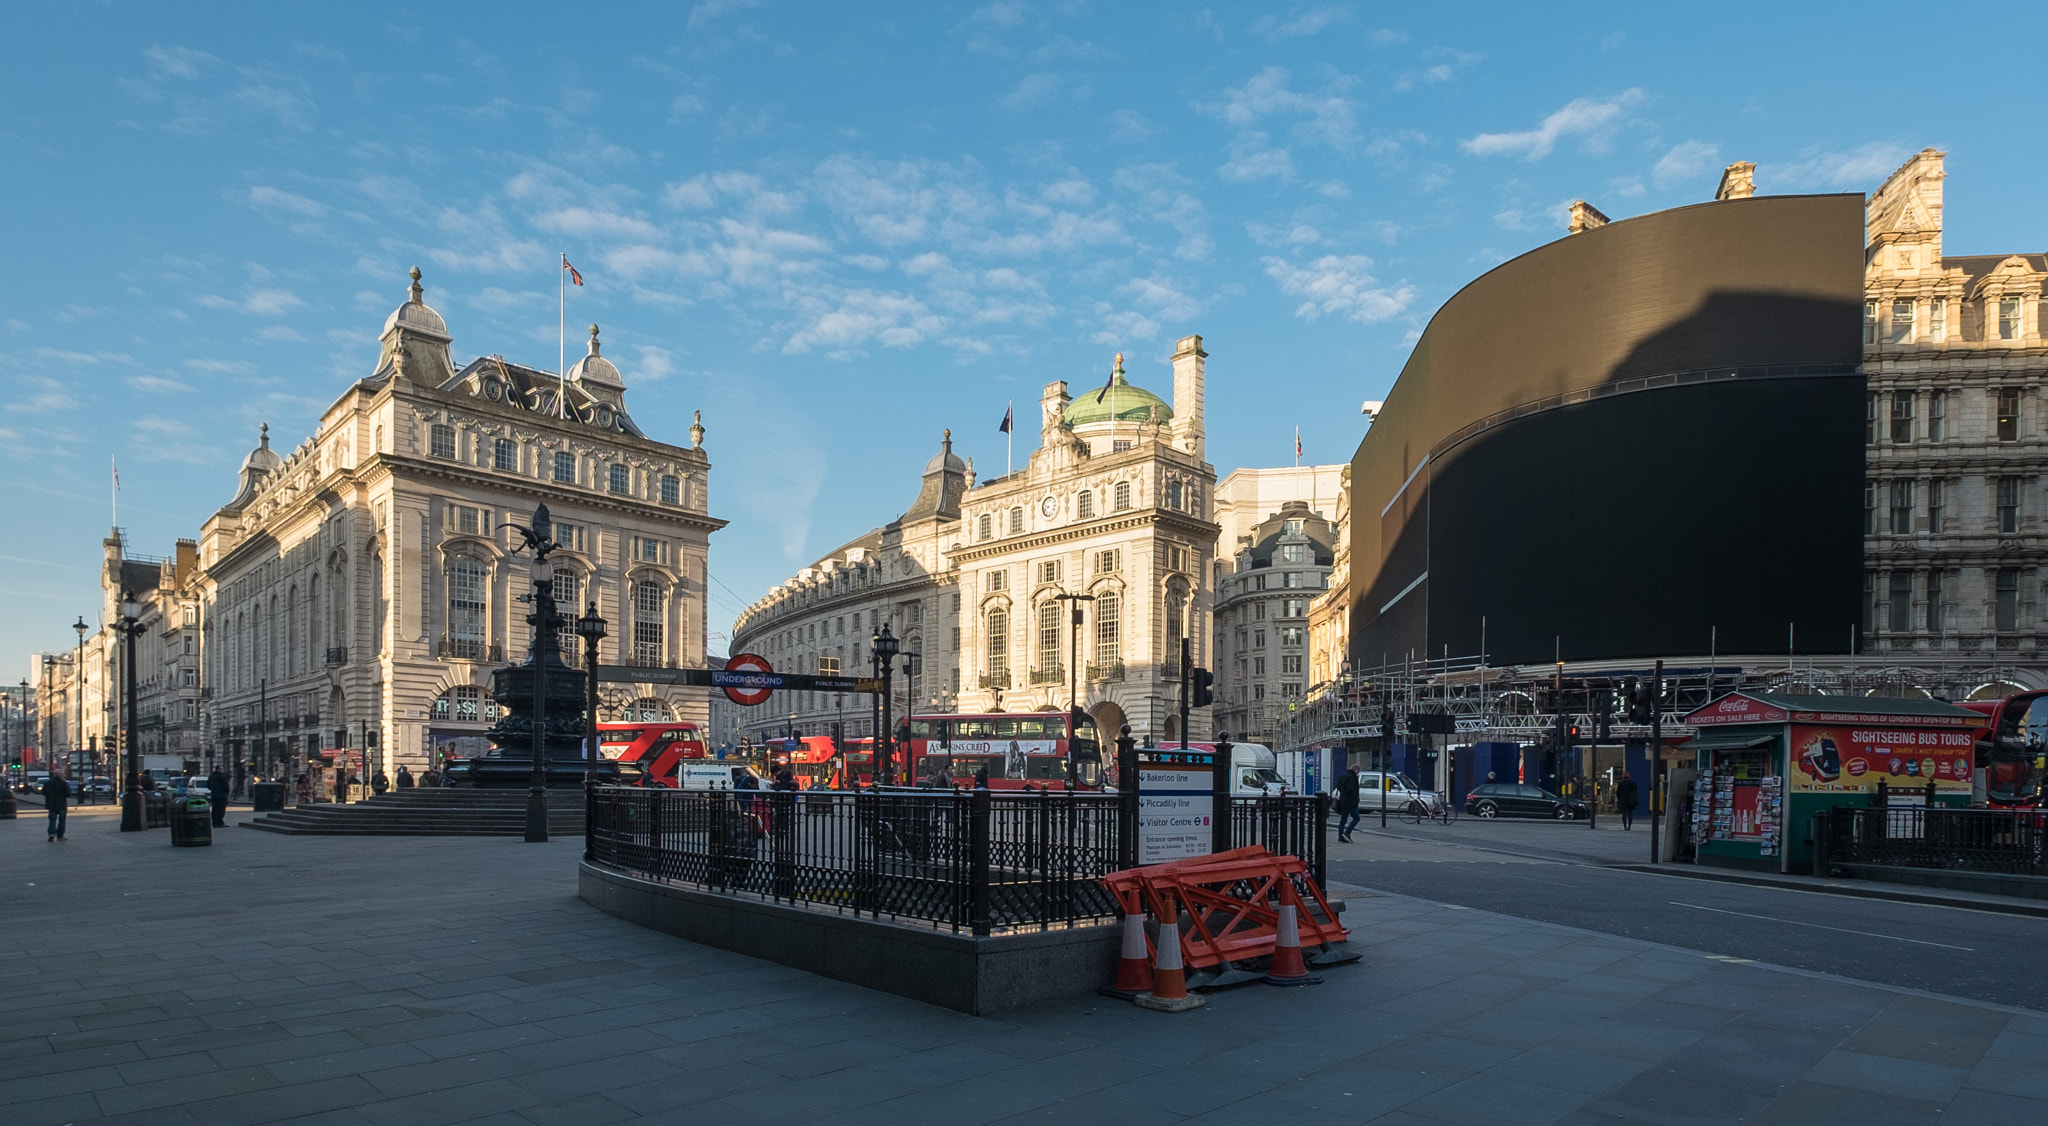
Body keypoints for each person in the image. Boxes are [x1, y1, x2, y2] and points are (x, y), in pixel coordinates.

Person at [1333, 764, 1362, 843]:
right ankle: (1347, 833)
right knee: (1356, 818)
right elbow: (1351, 789)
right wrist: (1356, 797)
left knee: (1343, 819)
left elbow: (1338, 786)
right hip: (1351, 802)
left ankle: (1340, 836)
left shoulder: (1343, 776)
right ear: (1356, 769)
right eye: (1358, 771)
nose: (1358, 772)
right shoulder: (1352, 778)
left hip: (1342, 800)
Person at [43, 772, 71, 842]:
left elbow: (43, 792)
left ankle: (51, 833)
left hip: (51, 804)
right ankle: (60, 836)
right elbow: (68, 794)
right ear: (61, 775)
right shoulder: (64, 783)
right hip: (61, 804)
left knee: (52, 820)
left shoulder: (48, 783)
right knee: (62, 821)